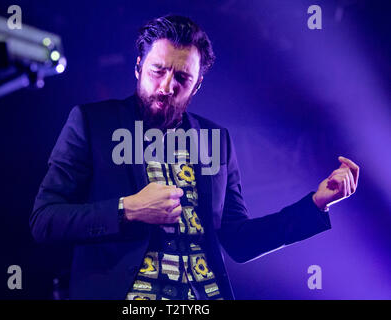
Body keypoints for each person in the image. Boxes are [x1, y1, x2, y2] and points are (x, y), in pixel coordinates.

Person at [30, 15, 359, 300]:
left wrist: (316, 204)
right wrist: (127, 209)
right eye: (157, 71)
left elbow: (238, 240)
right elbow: (45, 220)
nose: (166, 86)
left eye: (182, 78)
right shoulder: (92, 122)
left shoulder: (216, 140)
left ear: (197, 84)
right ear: (137, 68)